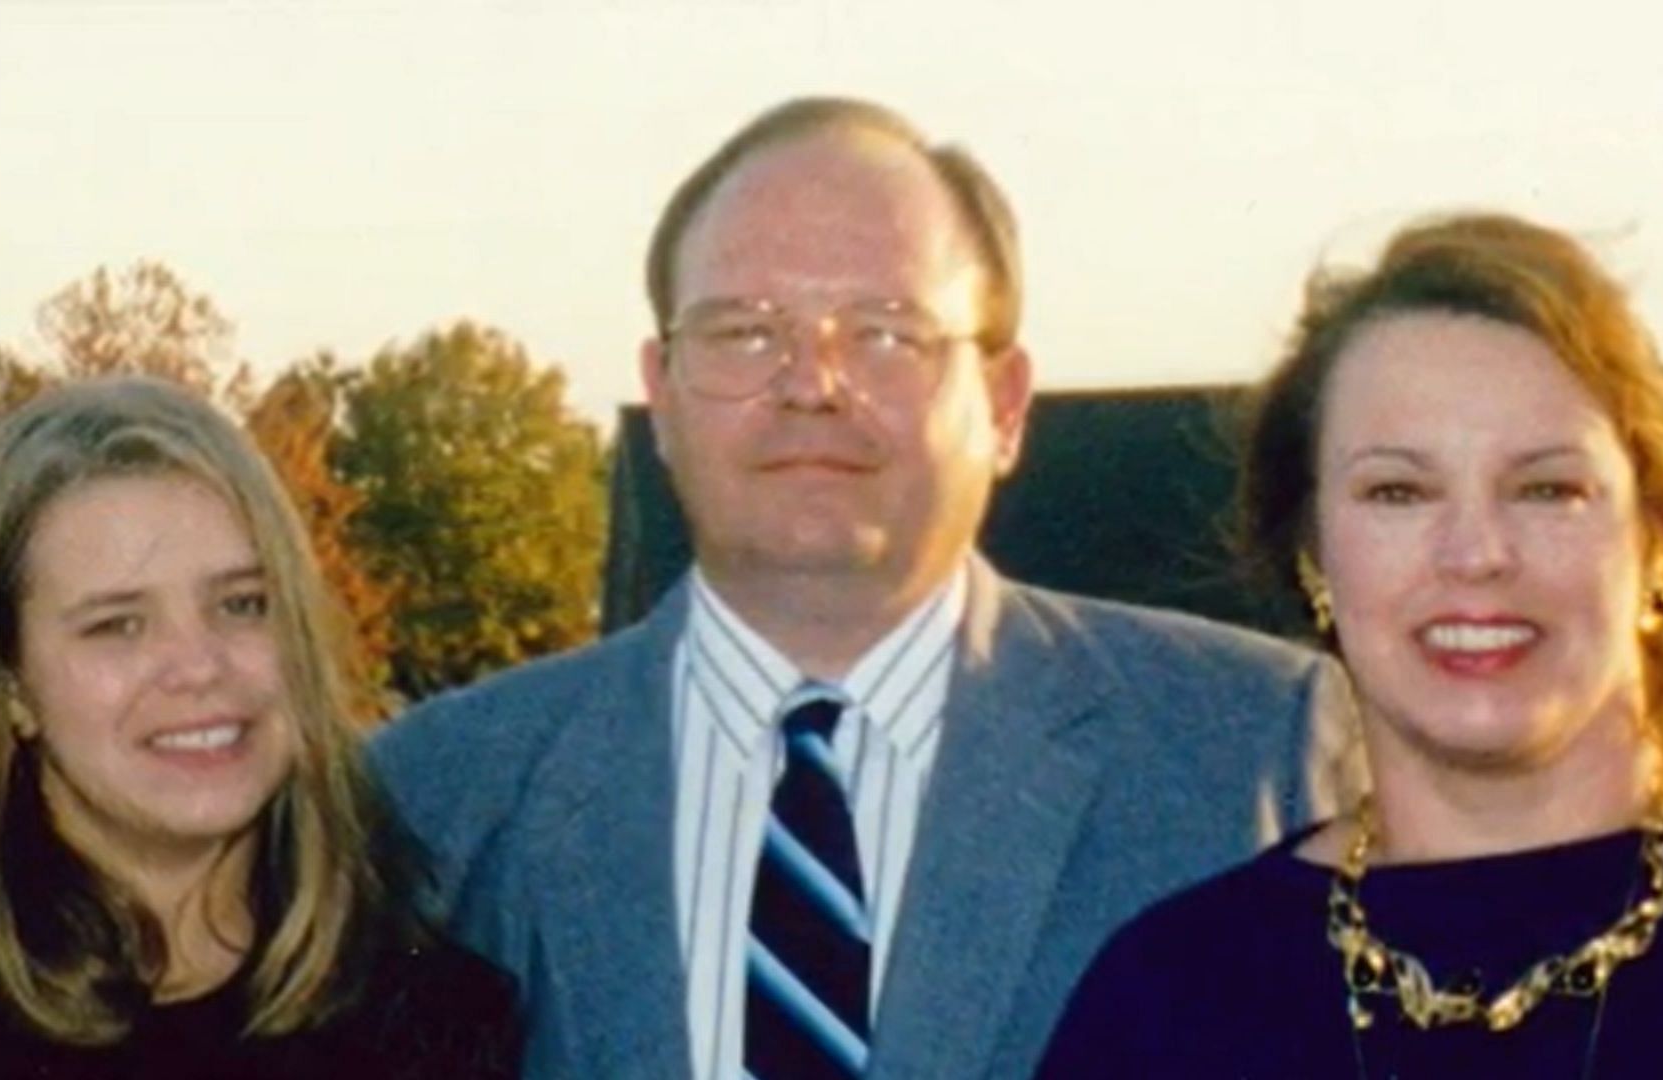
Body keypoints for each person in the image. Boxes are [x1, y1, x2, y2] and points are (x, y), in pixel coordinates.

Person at [370, 96, 1347, 1080]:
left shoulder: (1252, 755)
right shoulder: (437, 798)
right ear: (661, 396)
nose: (811, 384)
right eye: (744, 332)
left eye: (885, 334)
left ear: (1005, 407)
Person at [1037, 212, 1663, 1078]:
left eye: (1548, 488)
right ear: (1313, 556)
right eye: (1399, 492)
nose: (1477, 554)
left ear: (1657, 540)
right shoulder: (1173, 998)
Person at [0, 377, 520, 1079]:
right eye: (117, 625)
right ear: (9, 685)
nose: (198, 667)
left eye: (242, 604)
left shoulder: (431, 1028)